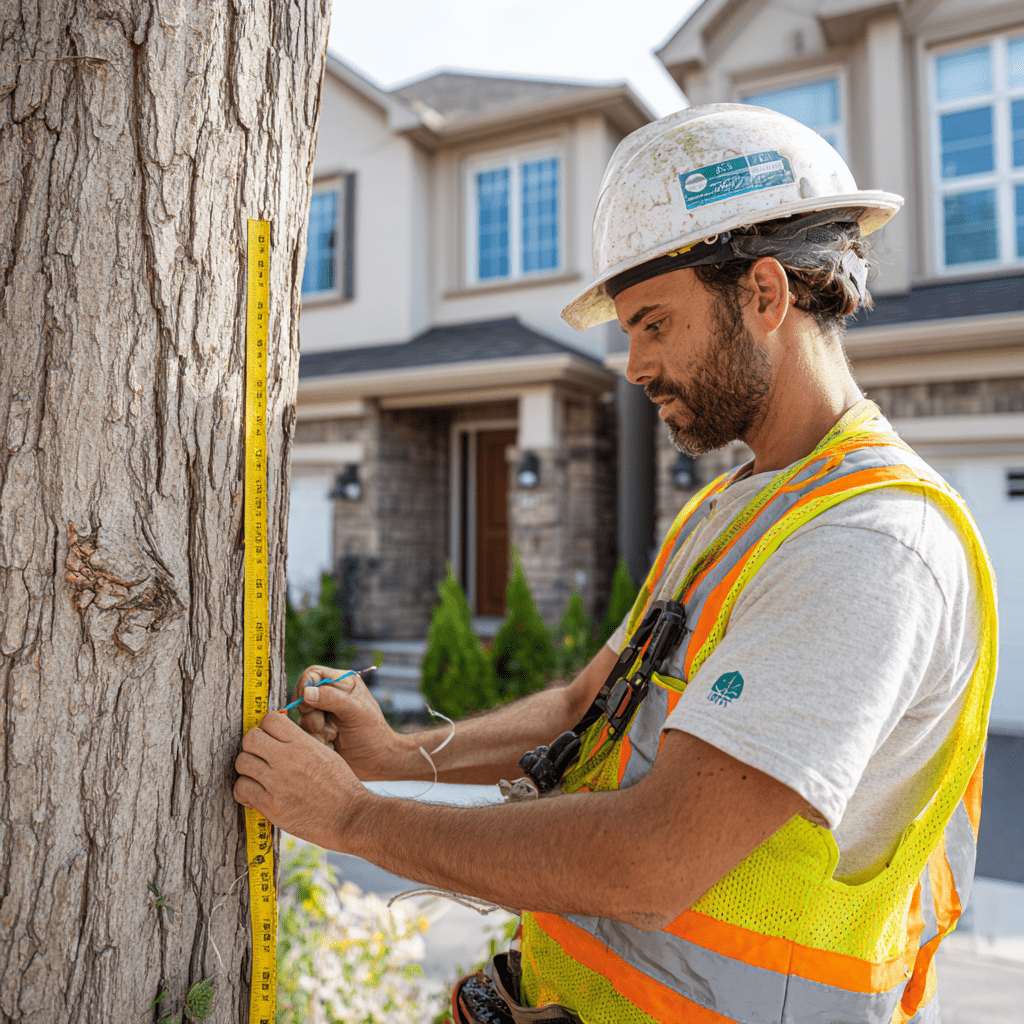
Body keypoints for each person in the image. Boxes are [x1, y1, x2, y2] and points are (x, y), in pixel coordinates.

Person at [234, 105, 997, 1024]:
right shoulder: (730, 512)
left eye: (652, 323)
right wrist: (402, 755)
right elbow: (581, 711)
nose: (632, 363)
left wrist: (355, 819)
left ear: (763, 296)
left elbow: (652, 863)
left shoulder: (870, 544)